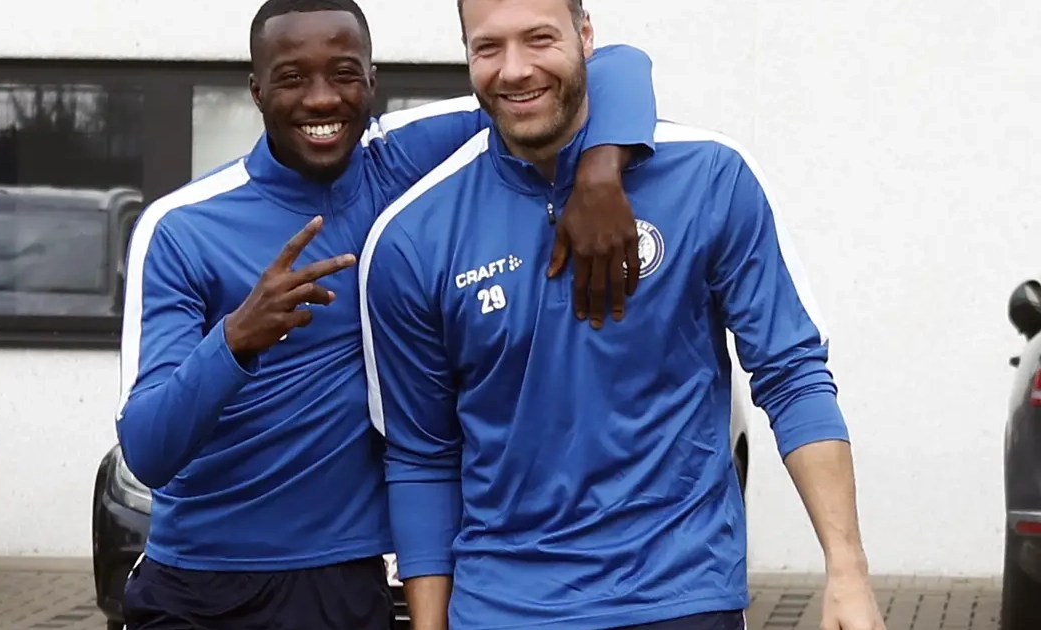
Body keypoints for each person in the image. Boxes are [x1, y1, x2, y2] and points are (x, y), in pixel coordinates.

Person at [113, 0, 661, 627]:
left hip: (345, 583)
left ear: (372, 82)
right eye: (292, 78)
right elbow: (146, 451)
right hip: (196, 586)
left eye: (344, 74)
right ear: (257, 90)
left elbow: (612, 67)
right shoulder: (182, 227)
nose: (322, 98)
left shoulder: (399, 164)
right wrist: (236, 338)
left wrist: (599, 172)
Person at [358, 0, 886, 629]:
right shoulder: (412, 236)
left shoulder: (711, 176)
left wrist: (847, 569)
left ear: (586, 36)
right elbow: (422, 458)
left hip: (682, 596)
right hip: (505, 607)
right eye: (488, 47)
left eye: (539, 38)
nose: (515, 69)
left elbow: (791, 373)